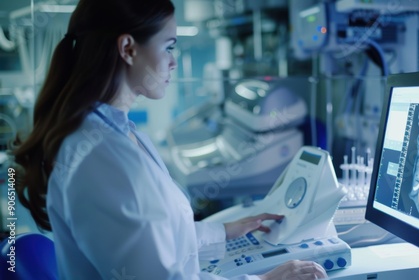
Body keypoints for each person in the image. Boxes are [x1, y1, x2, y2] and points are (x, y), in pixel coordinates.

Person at [11, 0, 328, 279]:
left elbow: (151, 237)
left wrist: (223, 232)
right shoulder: (99, 155)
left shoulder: (118, 132)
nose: (174, 61)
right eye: (169, 46)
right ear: (128, 49)